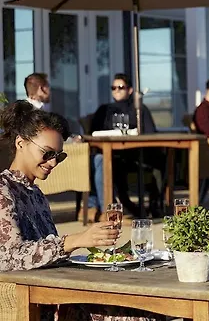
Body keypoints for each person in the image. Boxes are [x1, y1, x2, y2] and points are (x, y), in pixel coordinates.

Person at [0, 101, 161, 320]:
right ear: (20, 143)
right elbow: (9, 258)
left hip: (60, 297)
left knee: (151, 310)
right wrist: (75, 240)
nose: (53, 163)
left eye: (59, 156)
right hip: (33, 306)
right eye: (47, 153)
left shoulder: (35, 194)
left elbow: (49, 260)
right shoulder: (3, 191)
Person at [88, 73, 163, 220]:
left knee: (160, 159)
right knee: (99, 160)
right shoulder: (104, 110)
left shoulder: (139, 109)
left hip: (135, 155)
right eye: (113, 87)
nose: (116, 90)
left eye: (120, 87)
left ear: (130, 90)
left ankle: (155, 205)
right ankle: (109, 208)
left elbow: (151, 133)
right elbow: (93, 134)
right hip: (111, 155)